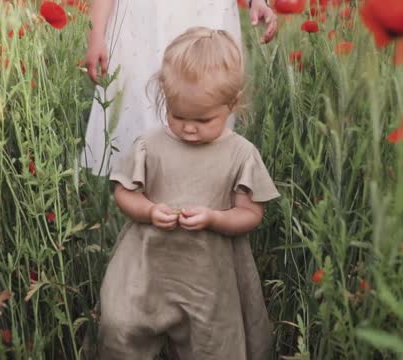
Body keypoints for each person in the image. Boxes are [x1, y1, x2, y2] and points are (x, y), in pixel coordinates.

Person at [97, 27, 281, 360]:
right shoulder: (150, 145)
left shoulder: (240, 153)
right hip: (147, 263)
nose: (188, 128)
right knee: (120, 324)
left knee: (213, 342)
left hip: (210, 272)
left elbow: (251, 212)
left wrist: (214, 218)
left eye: (203, 119)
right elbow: (124, 193)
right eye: (177, 116)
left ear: (232, 103)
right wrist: (149, 211)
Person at [81, 0, 277, 175]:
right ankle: (135, 192)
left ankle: (207, 193)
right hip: (143, 20)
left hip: (206, 12)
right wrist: (96, 33)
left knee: (207, 93)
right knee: (139, 101)